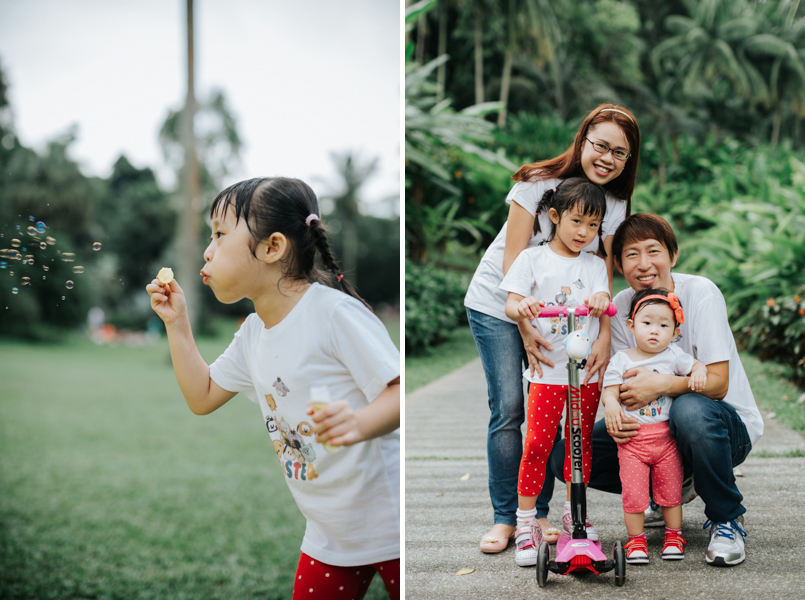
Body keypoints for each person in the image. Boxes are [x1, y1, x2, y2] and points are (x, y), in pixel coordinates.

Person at [145, 177, 400, 599]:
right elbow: (202, 396)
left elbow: (397, 391)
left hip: (386, 523)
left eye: (221, 235)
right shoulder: (253, 334)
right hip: (326, 532)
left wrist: (357, 423)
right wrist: (176, 323)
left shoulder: (333, 313)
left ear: (272, 247)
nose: (208, 250)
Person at [463, 103, 641, 553]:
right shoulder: (537, 182)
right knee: (509, 408)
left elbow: (601, 273)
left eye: (619, 152)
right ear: (582, 140)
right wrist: (524, 326)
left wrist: (602, 335)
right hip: (499, 301)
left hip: (563, 316)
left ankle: (541, 517)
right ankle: (508, 519)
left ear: (628, 160)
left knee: (557, 416)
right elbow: (513, 258)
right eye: (600, 145)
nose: (607, 158)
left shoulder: (614, 203)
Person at [549, 213, 763, 567]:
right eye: (631, 255)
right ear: (618, 264)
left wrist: (663, 383)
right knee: (566, 457)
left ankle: (726, 517)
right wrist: (614, 407)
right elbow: (624, 383)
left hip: (725, 427)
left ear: (672, 255)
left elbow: (718, 384)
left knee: (689, 409)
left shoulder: (700, 293)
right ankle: (666, 490)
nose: (644, 264)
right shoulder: (622, 307)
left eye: (653, 251)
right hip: (653, 427)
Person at [499, 178, 611, 566]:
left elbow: (603, 300)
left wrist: (600, 299)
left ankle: (574, 515)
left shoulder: (595, 266)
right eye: (577, 221)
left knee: (579, 446)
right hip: (547, 372)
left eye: (593, 226)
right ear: (554, 216)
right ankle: (526, 520)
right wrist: (525, 305)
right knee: (537, 446)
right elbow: (512, 302)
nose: (584, 232)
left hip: (585, 375)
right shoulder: (532, 259)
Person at [601, 288, 708, 564]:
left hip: (666, 440)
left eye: (663, 325)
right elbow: (610, 391)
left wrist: (698, 371)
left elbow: (696, 365)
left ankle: (674, 535)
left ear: (675, 333)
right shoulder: (621, 359)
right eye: (647, 323)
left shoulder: (674, 356)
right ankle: (636, 541)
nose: (654, 331)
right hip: (633, 442)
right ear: (631, 326)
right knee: (634, 494)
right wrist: (611, 405)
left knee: (671, 493)